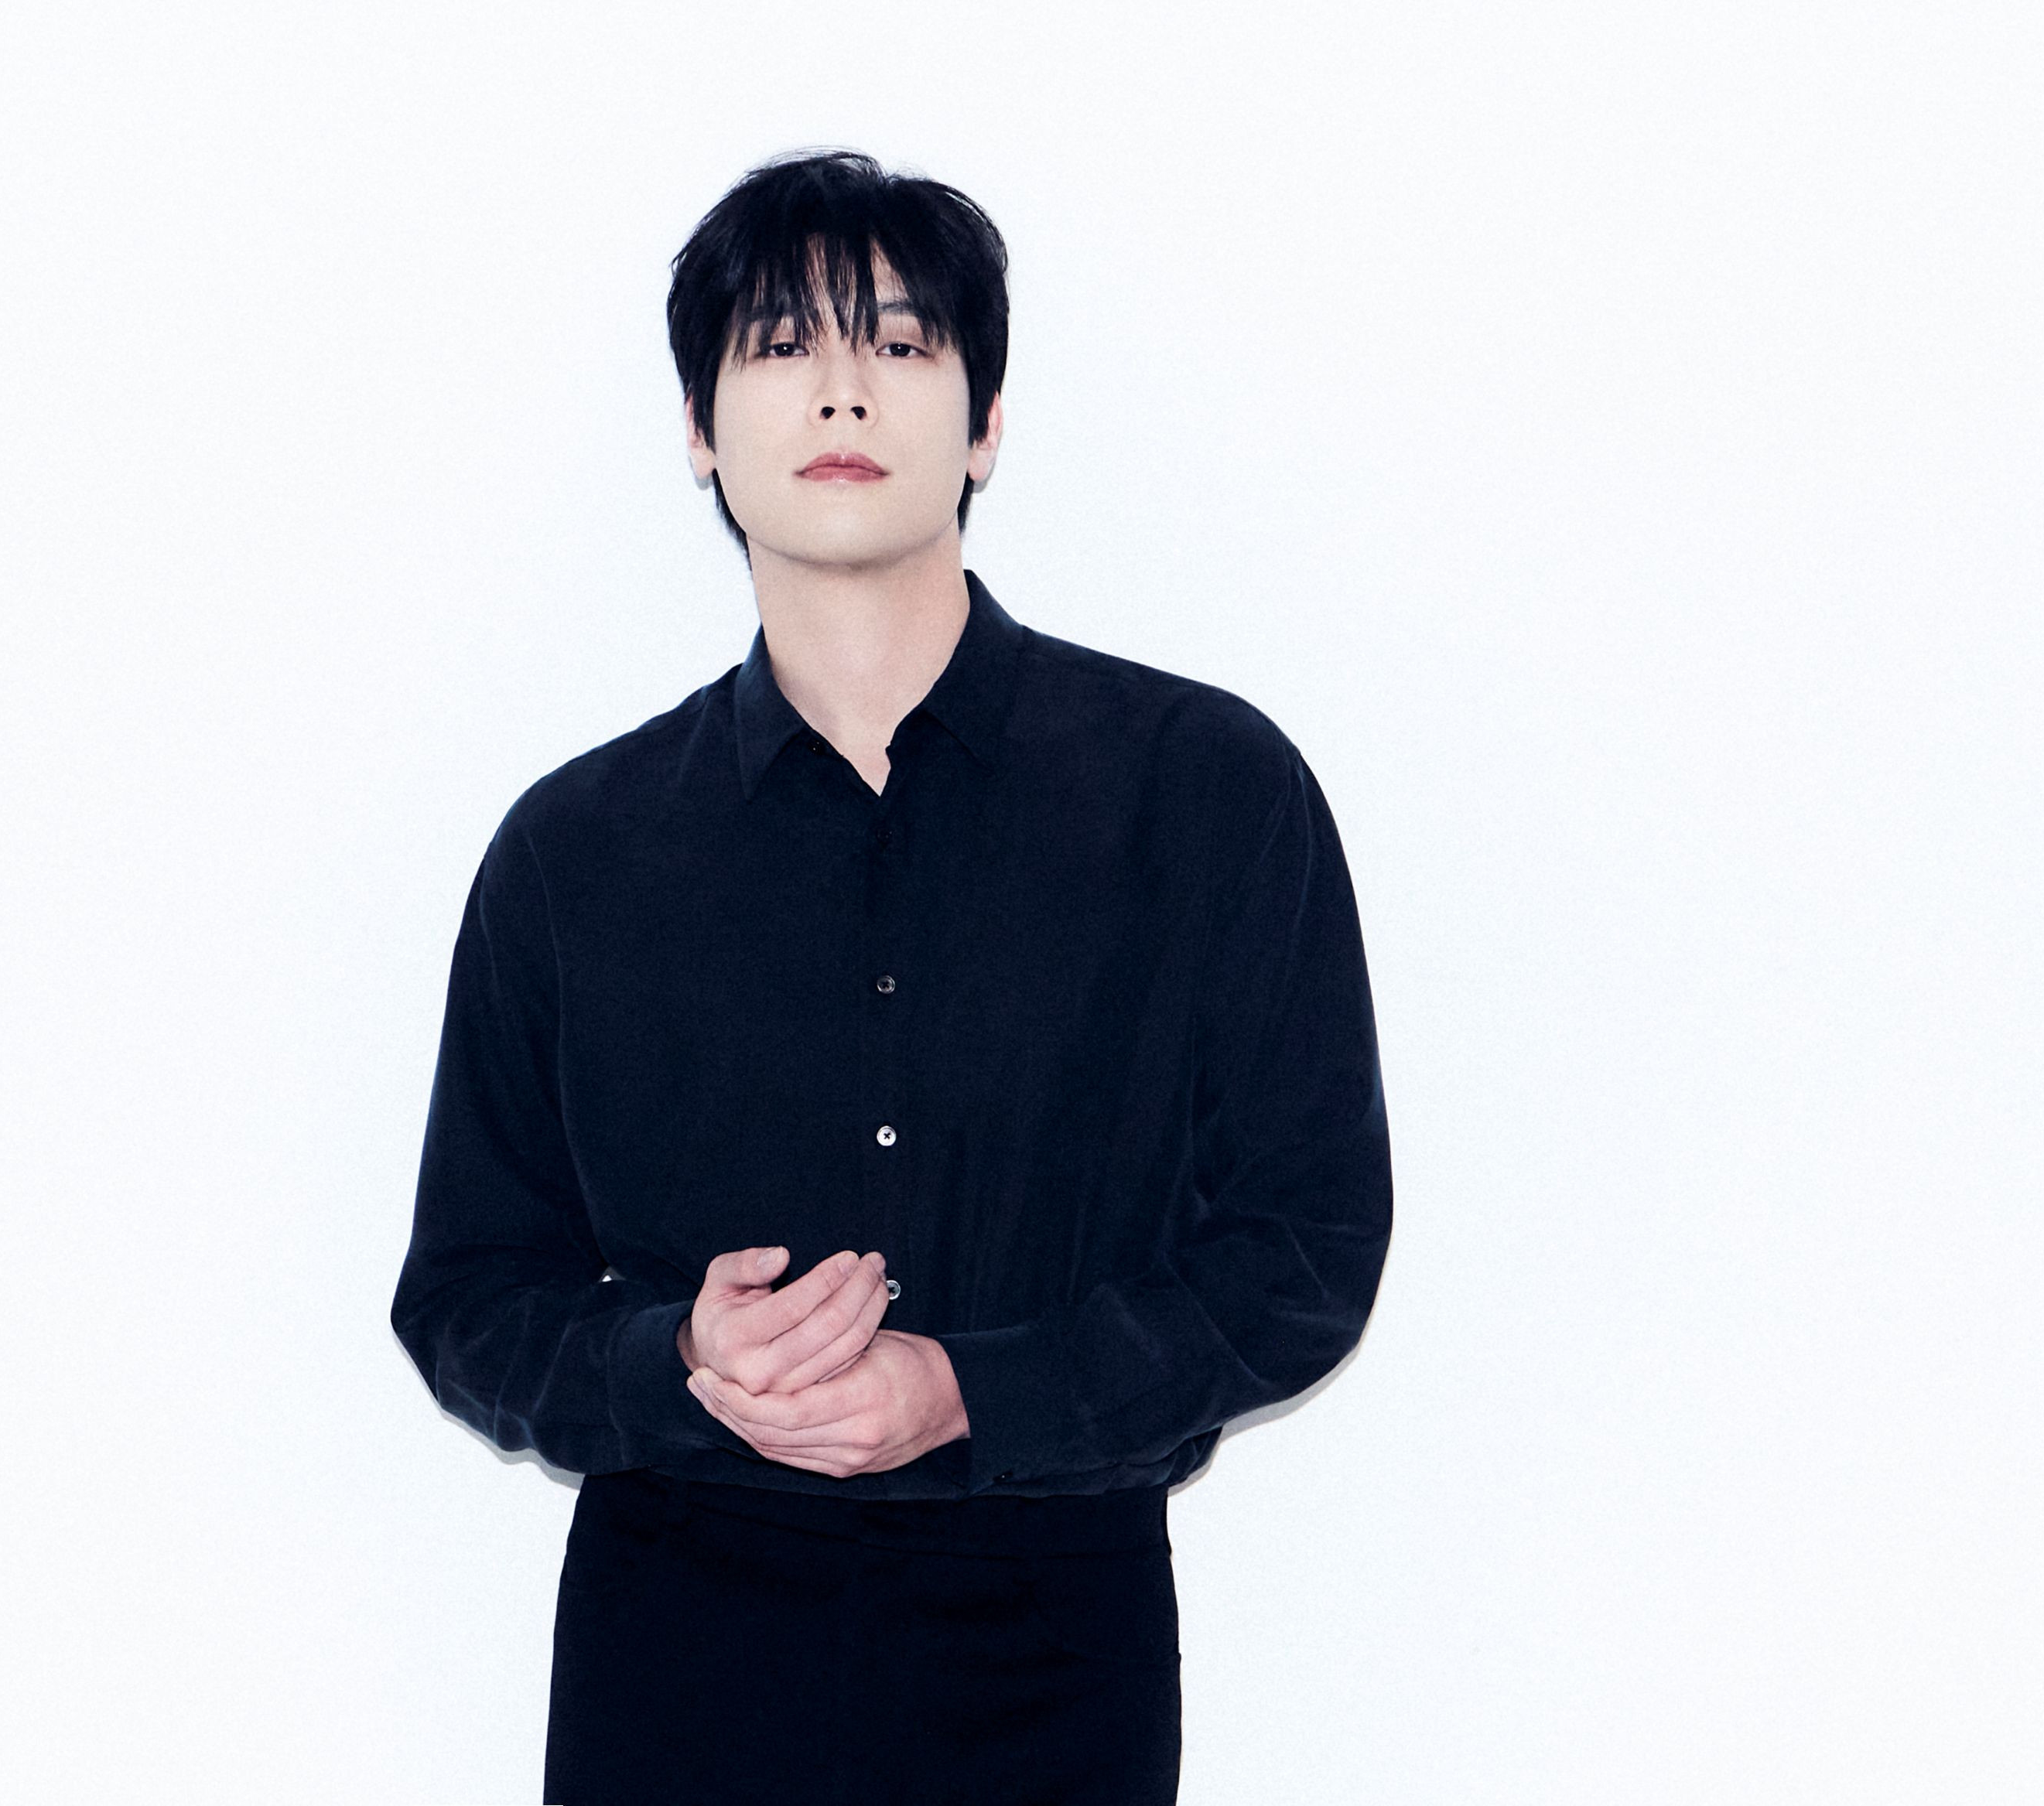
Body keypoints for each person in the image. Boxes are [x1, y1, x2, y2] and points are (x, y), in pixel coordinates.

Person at [391, 149, 1392, 1806]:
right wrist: (680, 1363)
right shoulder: (574, 850)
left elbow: (1305, 1249)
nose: (842, 389)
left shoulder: (1205, 792)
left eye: (903, 342)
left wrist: (973, 1390)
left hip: (1054, 1639)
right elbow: (467, 1295)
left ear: (985, 424)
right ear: (700, 430)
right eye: (782, 344)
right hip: (675, 1645)